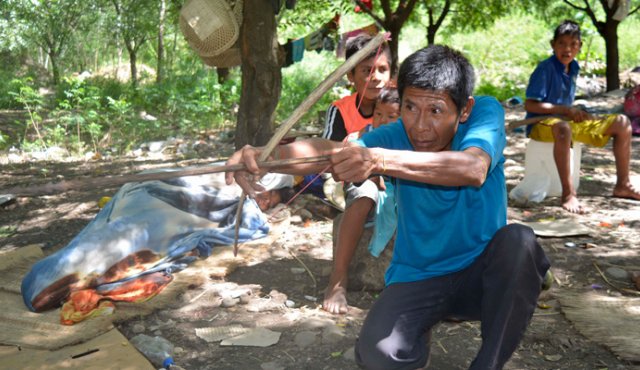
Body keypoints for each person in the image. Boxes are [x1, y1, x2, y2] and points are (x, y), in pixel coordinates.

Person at [226, 45, 550, 369]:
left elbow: (472, 168)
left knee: (520, 243)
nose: (420, 126)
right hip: (418, 277)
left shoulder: (484, 115)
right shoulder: (395, 135)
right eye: (410, 107)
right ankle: (417, 338)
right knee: (378, 355)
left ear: (463, 109)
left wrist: (379, 160)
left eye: (435, 111)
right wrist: (265, 157)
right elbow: (332, 152)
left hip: (481, 275)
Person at [524, 20, 640, 214]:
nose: (567, 49)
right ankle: (568, 194)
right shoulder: (545, 69)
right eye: (562, 43)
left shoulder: (574, 67)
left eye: (573, 44)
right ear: (553, 45)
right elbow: (530, 104)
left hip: (565, 122)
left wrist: (576, 112)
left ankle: (623, 184)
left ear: (580, 46)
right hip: (540, 124)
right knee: (563, 128)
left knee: (622, 122)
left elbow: (566, 109)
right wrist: (564, 110)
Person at [324, 86, 400, 315]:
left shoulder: (406, 139)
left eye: (391, 116)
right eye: (378, 114)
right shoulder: (364, 136)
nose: (382, 120)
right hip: (363, 186)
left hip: (396, 192)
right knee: (366, 194)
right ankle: (338, 279)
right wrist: (372, 174)